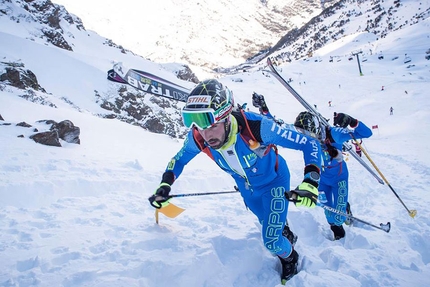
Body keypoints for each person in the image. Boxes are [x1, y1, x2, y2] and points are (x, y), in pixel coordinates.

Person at [148, 79, 323, 283]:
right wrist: (164, 185)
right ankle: (283, 229)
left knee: (272, 241)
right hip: (247, 189)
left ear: (226, 117)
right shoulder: (198, 137)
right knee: (266, 220)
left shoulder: (257, 127)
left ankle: (290, 258)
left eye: (212, 126)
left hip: (274, 182)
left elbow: (309, 143)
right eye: (199, 126)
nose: (207, 134)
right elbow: (178, 159)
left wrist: (311, 180)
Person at [293, 111, 372, 240]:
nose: (307, 139)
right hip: (323, 181)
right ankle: (337, 232)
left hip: (339, 178)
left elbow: (367, 133)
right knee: (329, 214)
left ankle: (345, 210)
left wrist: (353, 122)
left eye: (309, 134)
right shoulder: (305, 138)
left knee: (339, 216)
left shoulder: (334, 134)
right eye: (303, 135)